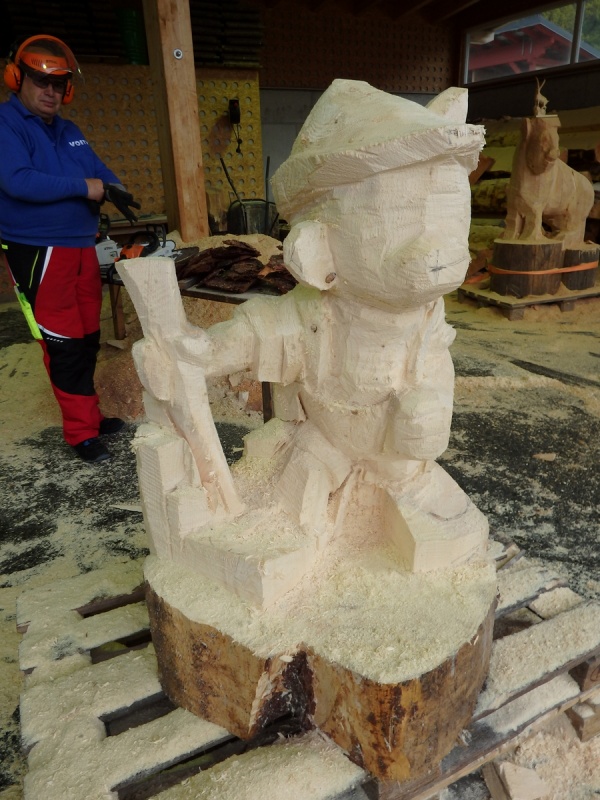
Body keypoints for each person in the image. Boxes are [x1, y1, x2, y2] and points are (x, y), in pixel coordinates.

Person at [0, 34, 125, 463]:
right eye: (41, 82)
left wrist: (114, 186)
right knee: (63, 342)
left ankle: (89, 416)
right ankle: (80, 433)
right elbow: (18, 180)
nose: (50, 92)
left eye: (58, 84)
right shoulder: (7, 124)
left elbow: (97, 168)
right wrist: (86, 187)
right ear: (17, 79)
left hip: (80, 247)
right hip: (38, 250)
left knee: (88, 335)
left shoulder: (69, 131)